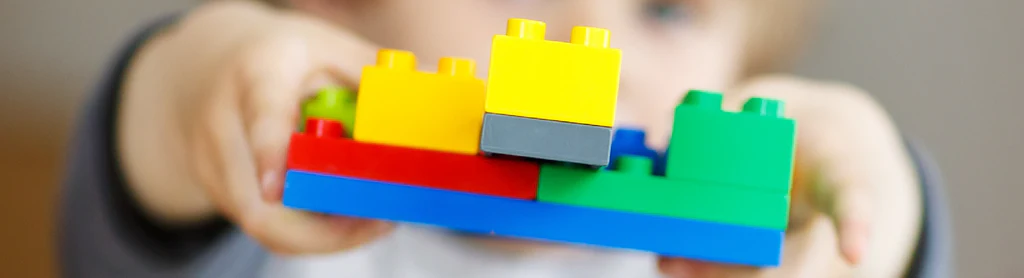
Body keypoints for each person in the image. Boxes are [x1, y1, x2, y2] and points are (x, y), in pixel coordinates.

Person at [58, 0, 952, 277]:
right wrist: (210, 73)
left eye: (667, 9)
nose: (586, 42)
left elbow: (856, 226)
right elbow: (150, 167)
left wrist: (876, 206)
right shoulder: (273, 204)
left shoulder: (710, 261)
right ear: (334, 11)